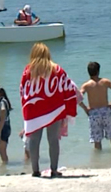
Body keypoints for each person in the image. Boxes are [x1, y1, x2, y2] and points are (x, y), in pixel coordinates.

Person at [20, 43, 79, 178]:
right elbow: (68, 87)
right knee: (53, 140)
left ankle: (35, 170)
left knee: (34, 140)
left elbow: (22, 92)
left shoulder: (28, 71)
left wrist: (25, 113)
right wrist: (70, 109)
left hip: (34, 110)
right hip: (54, 108)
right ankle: (54, 169)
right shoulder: (57, 69)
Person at [79, 62, 111, 150]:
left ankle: (98, 161)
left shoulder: (86, 85)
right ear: (98, 71)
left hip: (94, 113)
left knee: (97, 139)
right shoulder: (105, 82)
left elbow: (77, 98)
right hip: (106, 111)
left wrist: (85, 108)